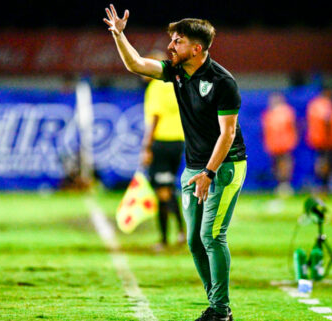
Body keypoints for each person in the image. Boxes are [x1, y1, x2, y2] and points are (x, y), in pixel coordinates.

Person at [104, 5, 247, 320]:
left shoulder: (223, 82)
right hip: (195, 167)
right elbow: (136, 64)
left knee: (212, 236)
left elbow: (228, 133)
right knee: (195, 242)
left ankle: (221, 310)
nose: (170, 46)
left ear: (196, 48)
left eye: (177, 41)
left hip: (225, 166)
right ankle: (217, 306)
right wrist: (120, 35)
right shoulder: (178, 71)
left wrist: (209, 172)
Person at [140, 50, 186, 252]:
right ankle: (182, 232)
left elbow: (155, 118)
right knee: (169, 188)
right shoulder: (175, 84)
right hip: (178, 142)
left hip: (161, 142)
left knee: (162, 192)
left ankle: (163, 239)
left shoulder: (155, 87)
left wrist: (146, 147)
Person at [261, 92, 298, 197]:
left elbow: (292, 127)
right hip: (274, 145)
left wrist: (291, 141)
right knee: (276, 166)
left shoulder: (287, 112)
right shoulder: (269, 114)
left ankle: (285, 185)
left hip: (285, 144)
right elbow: (266, 131)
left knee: (285, 165)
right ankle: (280, 185)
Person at [305, 87, 332, 191]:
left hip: (315, 138)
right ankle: (324, 184)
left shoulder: (313, 104)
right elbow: (327, 120)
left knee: (319, 161)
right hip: (324, 139)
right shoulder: (325, 105)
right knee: (325, 161)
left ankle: (320, 183)